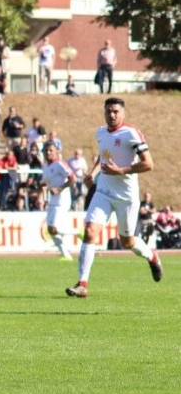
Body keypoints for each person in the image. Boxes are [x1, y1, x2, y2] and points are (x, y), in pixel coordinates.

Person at [66, 97, 163, 297]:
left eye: (116, 111)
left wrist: (121, 170)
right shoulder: (100, 133)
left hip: (126, 197)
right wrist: (92, 174)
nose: (112, 115)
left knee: (127, 242)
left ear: (123, 113)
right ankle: (82, 284)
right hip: (103, 192)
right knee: (90, 231)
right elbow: (103, 157)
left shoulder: (131, 134)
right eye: (108, 111)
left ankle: (152, 257)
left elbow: (149, 163)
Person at [39, 143, 76, 260]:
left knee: (55, 228)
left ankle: (78, 232)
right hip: (52, 200)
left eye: (51, 150)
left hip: (62, 200)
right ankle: (66, 256)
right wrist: (41, 194)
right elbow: (44, 183)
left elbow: (73, 179)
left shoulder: (60, 164)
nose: (48, 152)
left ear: (56, 152)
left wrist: (59, 188)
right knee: (51, 229)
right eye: (46, 151)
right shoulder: (45, 166)